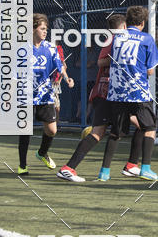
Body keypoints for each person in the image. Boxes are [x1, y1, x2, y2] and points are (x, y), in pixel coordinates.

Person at [56, 14, 143, 182]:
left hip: (115, 95)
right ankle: (128, 166)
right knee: (105, 132)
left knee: (133, 127)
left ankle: (71, 168)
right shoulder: (113, 40)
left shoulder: (122, 41)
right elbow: (101, 62)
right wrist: (120, 59)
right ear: (124, 27)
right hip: (106, 94)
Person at [105, 6, 158, 181]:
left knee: (116, 132)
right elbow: (150, 70)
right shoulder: (146, 39)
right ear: (143, 23)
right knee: (150, 128)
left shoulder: (116, 38)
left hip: (117, 92)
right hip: (137, 92)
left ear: (127, 21)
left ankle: (105, 172)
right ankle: (145, 168)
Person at [18, 13, 74, 175]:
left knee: (52, 130)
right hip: (26, 95)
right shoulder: (22, 49)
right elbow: (15, 75)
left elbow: (60, 66)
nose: (45, 31)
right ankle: (22, 165)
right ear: (32, 29)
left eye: (46, 29)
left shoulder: (50, 47)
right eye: (42, 28)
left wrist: (67, 78)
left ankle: (42, 153)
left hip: (45, 94)